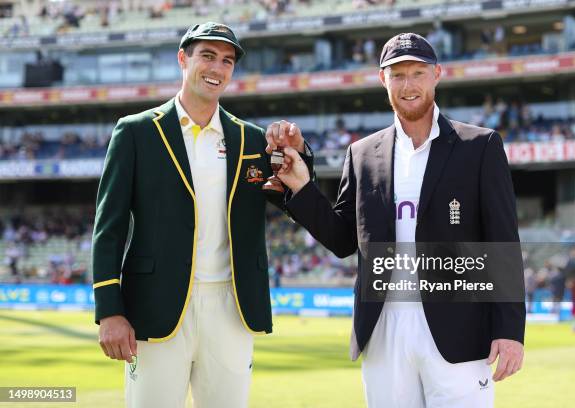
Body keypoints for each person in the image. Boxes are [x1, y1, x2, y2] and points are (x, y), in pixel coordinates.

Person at [278, 33, 525, 407]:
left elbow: (503, 243)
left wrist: (509, 330)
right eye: (397, 75)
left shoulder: (480, 146)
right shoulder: (361, 154)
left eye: (417, 73)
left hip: (459, 329)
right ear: (383, 80)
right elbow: (345, 240)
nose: (408, 85)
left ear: (437, 75)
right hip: (383, 330)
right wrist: (301, 188)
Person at [92, 22, 313, 408]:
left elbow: (295, 201)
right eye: (207, 56)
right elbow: (107, 229)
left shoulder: (251, 139)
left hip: (232, 309)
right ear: (183, 59)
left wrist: (300, 150)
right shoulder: (135, 132)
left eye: (227, 61)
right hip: (155, 309)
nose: (217, 68)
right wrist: (109, 311)